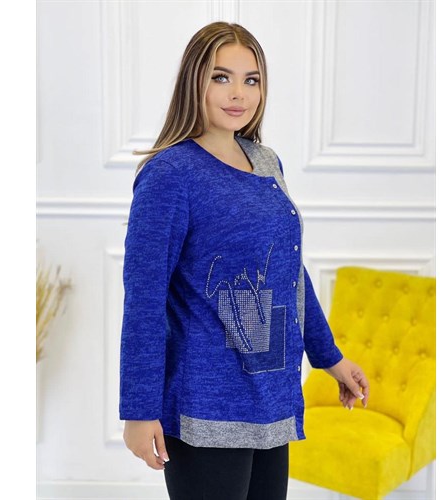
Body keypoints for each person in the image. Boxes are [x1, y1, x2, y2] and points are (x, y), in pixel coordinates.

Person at [119, 21, 369, 500]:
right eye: (221, 77)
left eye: (251, 80)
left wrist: (330, 357)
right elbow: (144, 300)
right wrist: (138, 409)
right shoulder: (170, 174)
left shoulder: (266, 161)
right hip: (205, 406)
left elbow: (289, 273)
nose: (239, 93)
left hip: (272, 398)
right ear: (193, 82)